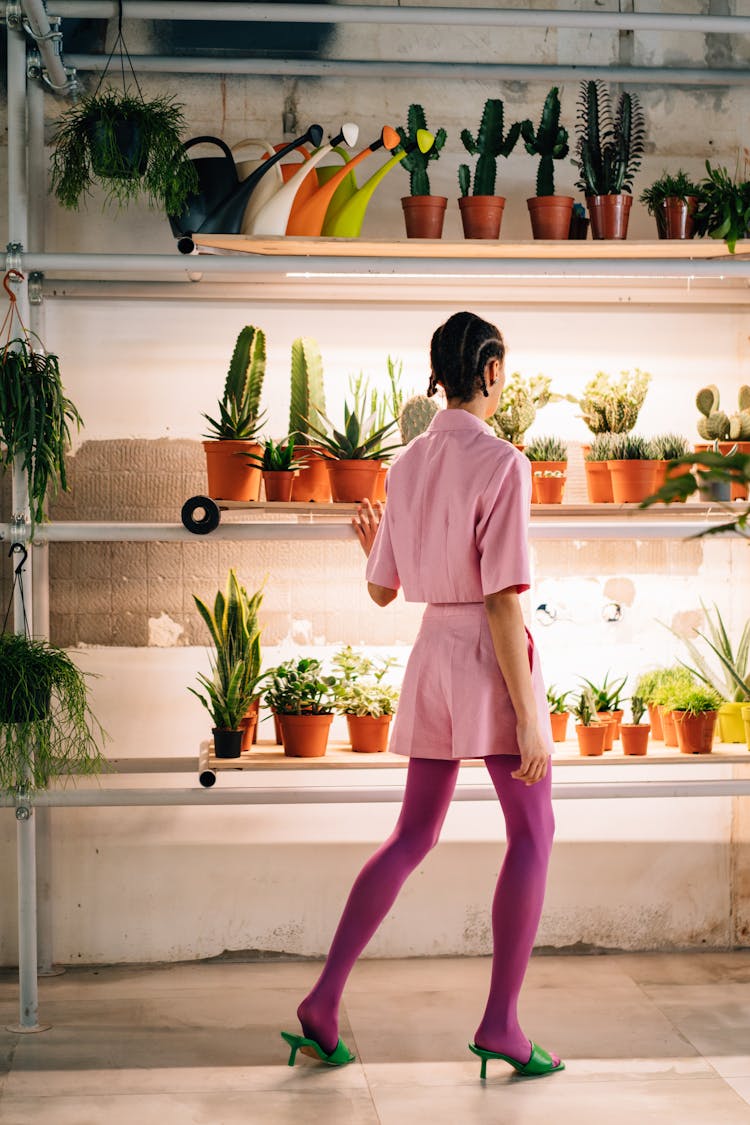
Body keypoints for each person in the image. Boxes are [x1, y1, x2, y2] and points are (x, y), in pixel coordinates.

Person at [280, 311, 563, 1080]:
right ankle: (502, 1022)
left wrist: (371, 542)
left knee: (412, 835)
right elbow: (503, 600)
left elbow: (382, 590)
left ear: (439, 374)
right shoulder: (505, 462)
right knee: (533, 836)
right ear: (493, 370)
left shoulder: (404, 465)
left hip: (433, 653)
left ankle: (324, 999)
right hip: (489, 656)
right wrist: (531, 719)